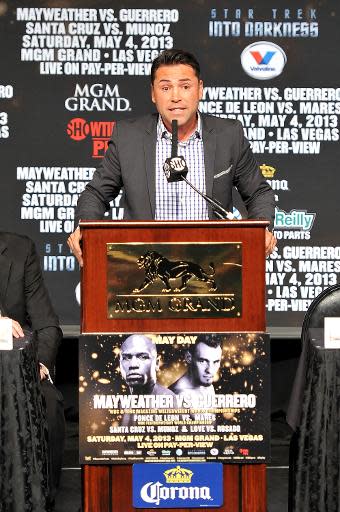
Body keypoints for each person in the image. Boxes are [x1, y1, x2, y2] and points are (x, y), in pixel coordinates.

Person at [67, 49, 276, 264]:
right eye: (166, 88)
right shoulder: (128, 137)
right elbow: (95, 194)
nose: (176, 97)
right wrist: (85, 230)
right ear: (153, 94)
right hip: (147, 265)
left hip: (213, 262)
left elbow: (259, 193)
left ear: (200, 89)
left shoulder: (228, 135)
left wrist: (262, 229)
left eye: (185, 87)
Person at [0, 232, 65, 510]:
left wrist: (37, 365)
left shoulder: (19, 249)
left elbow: (47, 324)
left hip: (17, 373)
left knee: (48, 405)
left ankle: (41, 502)